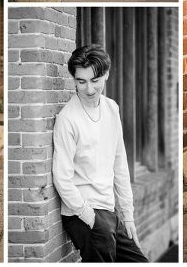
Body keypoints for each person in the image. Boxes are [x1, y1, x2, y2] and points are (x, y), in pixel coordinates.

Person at [52, 45, 147, 262]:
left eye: (95, 80)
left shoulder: (112, 108)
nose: (89, 89)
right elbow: (61, 178)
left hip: (108, 210)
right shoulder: (67, 119)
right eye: (81, 81)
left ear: (106, 75)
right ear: (74, 79)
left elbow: (119, 163)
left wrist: (128, 215)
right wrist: (91, 218)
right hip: (81, 213)